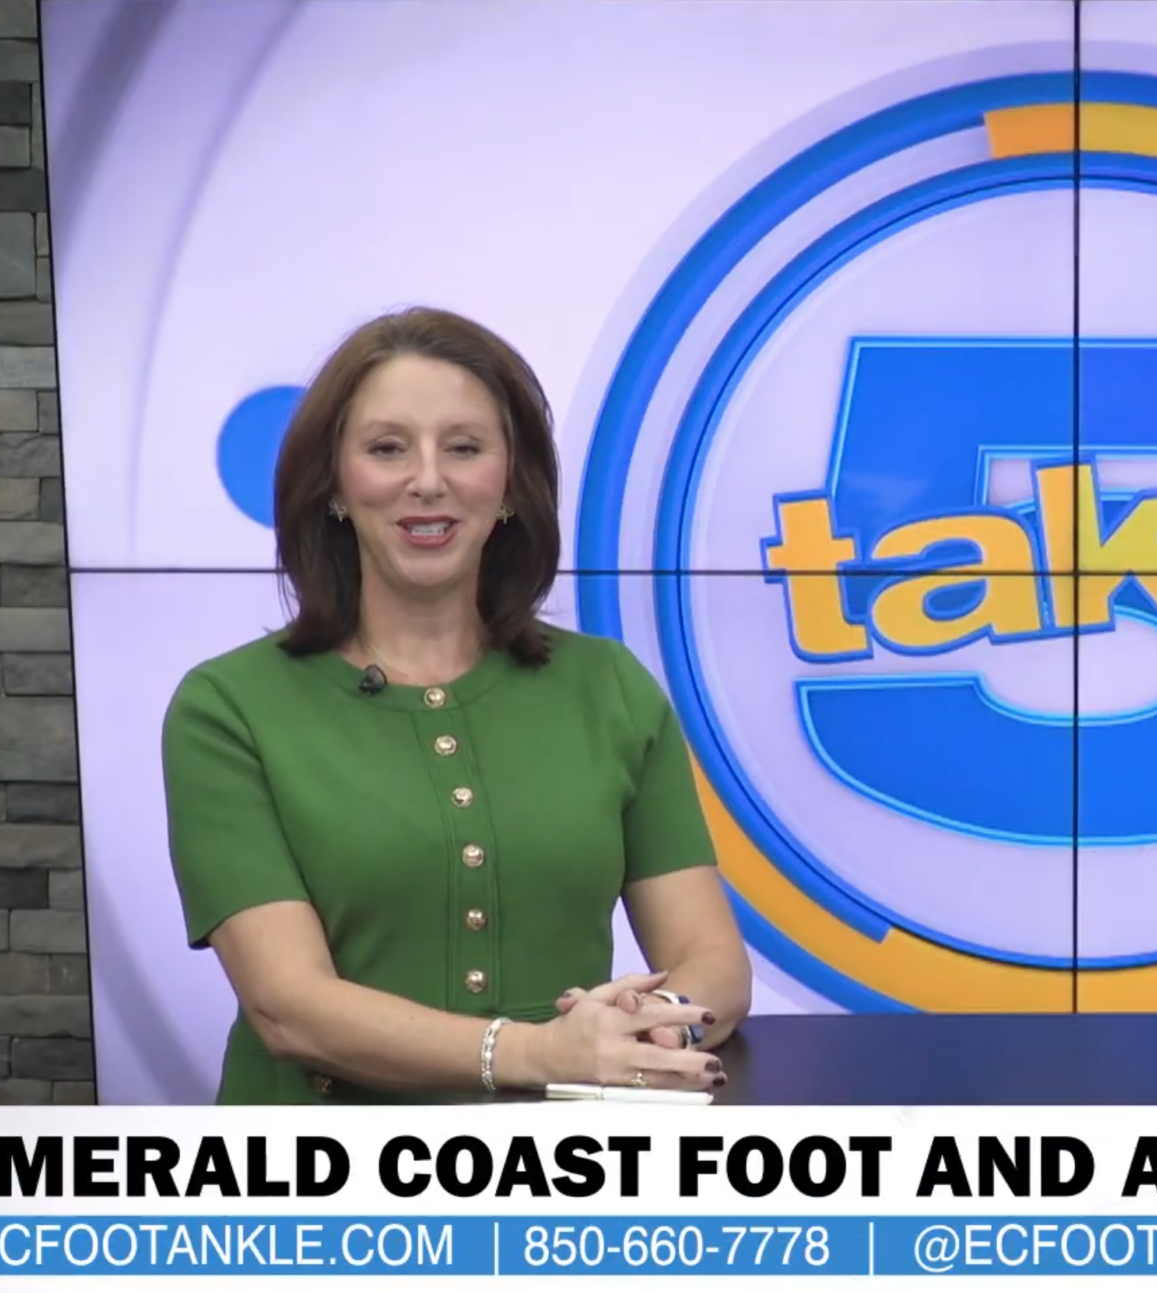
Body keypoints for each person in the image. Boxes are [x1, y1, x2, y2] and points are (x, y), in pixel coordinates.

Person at [161, 307, 752, 1104]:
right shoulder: (227, 709)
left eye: (465, 447)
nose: (428, 480)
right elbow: (286, 1006)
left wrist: (656, 1028)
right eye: (387, 448)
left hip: (560, 1165)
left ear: (509, 484)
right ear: (334, 483)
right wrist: (539, 1052)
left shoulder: (610, 686)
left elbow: (712, 961)